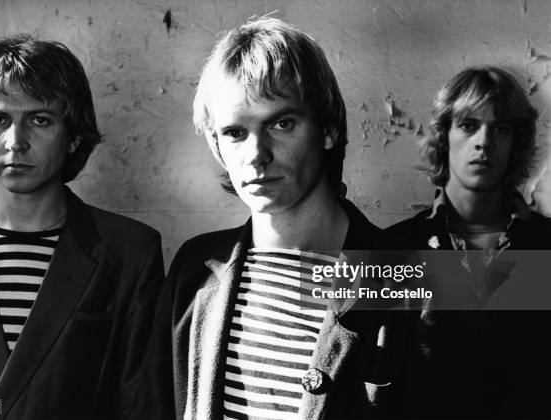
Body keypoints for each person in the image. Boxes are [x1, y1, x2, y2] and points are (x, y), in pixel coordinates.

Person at [140, 17, 414, 419]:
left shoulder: (405, 274)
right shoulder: (193, 269)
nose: (257, 154)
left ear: (328, 130)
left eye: (282, 124)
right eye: (235, 132)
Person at [0, 35, 164, 419]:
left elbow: (138, 404)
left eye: (40, 120)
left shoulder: (130, 252)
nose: (15, 142)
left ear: (74, 135)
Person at [387, 66, 551, 417]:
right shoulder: (394, 248)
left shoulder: (546, 245)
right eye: (468, 125)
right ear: (444, 135)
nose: (484, 141)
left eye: (501, 129)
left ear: (514, 144)